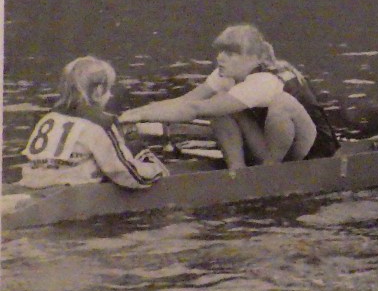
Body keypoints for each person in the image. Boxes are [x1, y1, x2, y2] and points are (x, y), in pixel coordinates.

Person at [118, 24, 339, 168]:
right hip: (275, 143)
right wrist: (137, 113)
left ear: (254, 58)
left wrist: (141, 115)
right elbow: (188, 102)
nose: (220, 58)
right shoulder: (227, 73)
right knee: (219, 109)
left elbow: (196, 110)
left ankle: (269, 174)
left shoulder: (264, 80)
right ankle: (237, 173)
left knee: (282, 103)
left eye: (230, 53)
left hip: (313, 152)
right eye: (221, 51)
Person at [20, 56, 168, 189]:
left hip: (33, 180)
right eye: (108, 89)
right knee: (134, 149)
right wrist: (155, 170)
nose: (110, 94)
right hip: (70, 189)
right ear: (98, 91)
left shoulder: (49, 116)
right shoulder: (101, 122)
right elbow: (122, 172)